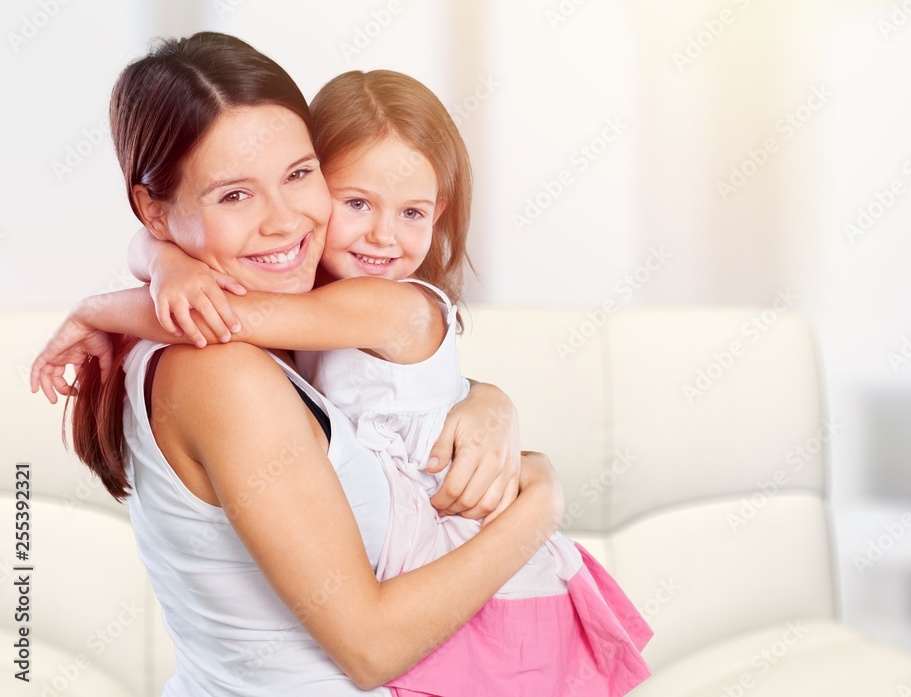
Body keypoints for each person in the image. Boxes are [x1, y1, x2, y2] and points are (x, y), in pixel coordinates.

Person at [50, 69, 654, 696]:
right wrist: (541, 503)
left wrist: (487, 400)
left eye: (296, 176)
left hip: (494, 583)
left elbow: (262, 331)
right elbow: (373, 649)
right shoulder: (219, 366)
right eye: (234, 194)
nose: (284, 222)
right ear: (154, 208)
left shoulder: (349, 315)